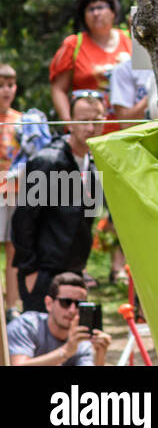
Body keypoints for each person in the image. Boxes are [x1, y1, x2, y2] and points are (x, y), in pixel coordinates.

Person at [11, 91, 103, 311]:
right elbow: (23, 220)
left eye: (97, 121)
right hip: (43, 274)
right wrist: (31, 271)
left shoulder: (95, 165)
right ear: (69, 123)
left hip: (74, 273)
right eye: (83, 121)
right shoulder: (47, 161)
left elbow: (88, 218)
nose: (90, 128)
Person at [49, 0, 133, 133]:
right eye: (90, 9)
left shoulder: (130, 39)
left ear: (113, 11)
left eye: (100, 7)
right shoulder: (74, 44)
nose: (96, 13)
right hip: (88, 133)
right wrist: (69, 123)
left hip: (130, 129)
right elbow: (58, 89)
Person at [6, 272, 111, 365]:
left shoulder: (81, 342)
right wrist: (65, 352)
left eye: (79, 304)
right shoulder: (26, 326)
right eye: (65, 302)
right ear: (49, 303)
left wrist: (100, 355)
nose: (72, 310)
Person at [0, 64, 23, 320]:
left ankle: (12, 306)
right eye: (1, 85)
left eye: (10, 84)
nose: (6, 90)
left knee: (13, 249)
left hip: (16, 192)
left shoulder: (23, 120)